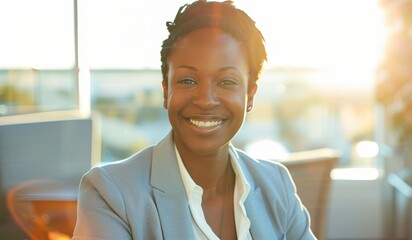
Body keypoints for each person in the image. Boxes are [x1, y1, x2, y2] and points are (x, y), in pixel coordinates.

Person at [73, 1, 315, 239]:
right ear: (166, 91)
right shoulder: (110, 194)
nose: (205, 100)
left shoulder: (277, 185)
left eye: (226, 82)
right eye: (188, 80)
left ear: (250, 95)